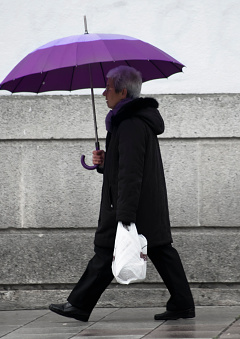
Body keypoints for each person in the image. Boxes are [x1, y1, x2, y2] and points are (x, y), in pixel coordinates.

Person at [49, 65, 195, 322]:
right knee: (161, 250)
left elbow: (131, 172)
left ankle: (79, 305)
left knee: (107, 251)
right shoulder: (131, 121)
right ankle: (182, 303)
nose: (104, 93)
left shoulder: (129, 124)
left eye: (107, 88)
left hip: (130, 204)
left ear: (122, 91)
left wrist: (125, 215)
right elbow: (126, 164)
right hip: (144, 203)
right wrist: (106, 162)